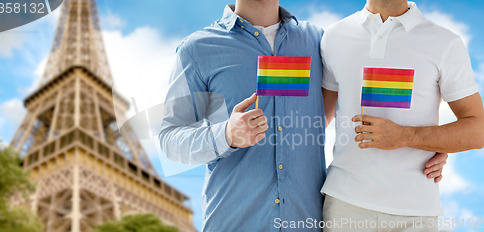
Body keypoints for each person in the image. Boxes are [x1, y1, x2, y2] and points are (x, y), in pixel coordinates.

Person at [159, 0, 446, 231]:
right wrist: (225, 134)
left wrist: (423, 144)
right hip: (234, 221)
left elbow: (363, 100)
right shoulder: (198, 49)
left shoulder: (319, 41)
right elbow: (169, 141)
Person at [320, 0, 484, 231]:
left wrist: (409, 136)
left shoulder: (445, 42)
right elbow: (316, 121)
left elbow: (478, 130)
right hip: (344, 205)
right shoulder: (334, 36)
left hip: (416, 212)